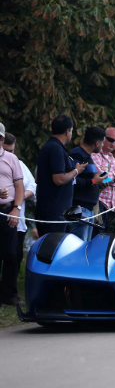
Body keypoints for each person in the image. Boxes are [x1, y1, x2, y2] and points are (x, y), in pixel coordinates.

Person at [36, 115, 86, 236]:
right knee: (53, 249)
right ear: (67, 130)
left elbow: (38, 177)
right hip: (55, 212)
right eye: (72, 131)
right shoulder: (55, 149)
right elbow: (58, 179)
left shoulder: (48, 147)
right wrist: (76, 171)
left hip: (48, 209)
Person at [2, 133, 36, 277]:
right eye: (6, 150)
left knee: (13, 256)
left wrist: (19, 198)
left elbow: (32, 187)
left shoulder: (18, 163)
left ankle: (10, 294)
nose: (10, 154)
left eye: (12, 151)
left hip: (15, 216)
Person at [0, 123, 25, 306]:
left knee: (10, 254)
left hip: (7, 210)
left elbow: (19, 186)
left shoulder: (11, 158)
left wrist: (16, 208)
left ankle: (10, 294)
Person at [67, 127, 106, 241]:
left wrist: (98, 180)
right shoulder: (77, 154)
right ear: (97, 142)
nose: (102, 145)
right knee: (78, 248)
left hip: (89, 209)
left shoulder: (88, 156)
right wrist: (94, 181)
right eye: (102, 142)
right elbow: (72, 180)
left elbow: (88, 179)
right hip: (79, 210)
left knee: (85, 248)